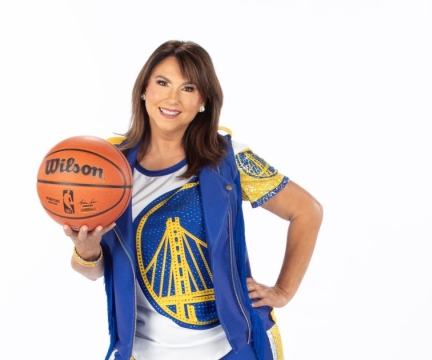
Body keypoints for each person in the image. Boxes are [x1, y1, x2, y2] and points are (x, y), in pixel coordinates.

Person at [63, 40, 323, 360]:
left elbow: (307, 211)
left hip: (231, 350)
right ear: (145, 89)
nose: (172, 98)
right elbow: (91, 270)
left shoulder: (229, 159)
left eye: (188, 88)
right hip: (142, 352)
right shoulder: (109, 166)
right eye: (163, 83)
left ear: (202, 100)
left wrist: (283, 291)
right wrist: (86, 251)